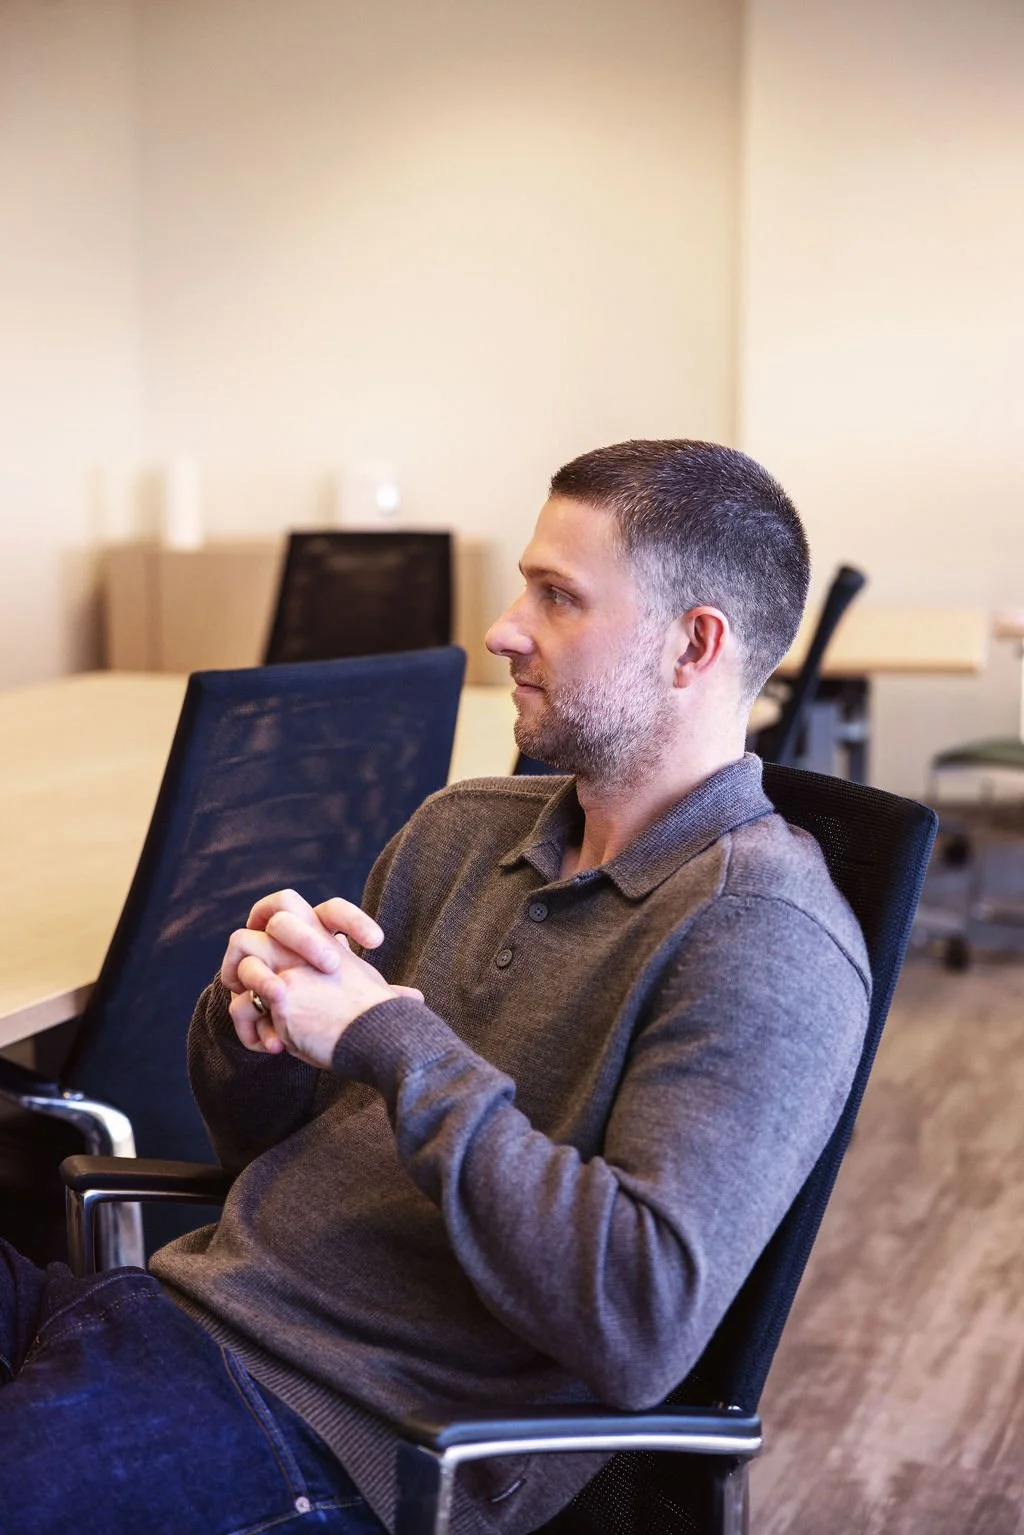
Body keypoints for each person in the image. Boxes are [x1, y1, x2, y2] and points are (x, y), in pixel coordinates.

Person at [0, 439, 870, 1535]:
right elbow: (265, 1150)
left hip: (343, 1433)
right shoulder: (459, 830)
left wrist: (388, 1036)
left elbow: (637, 1321)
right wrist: (253, 1022)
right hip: (169, 1310)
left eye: (558, 597)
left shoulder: (765, 935)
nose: (504, 628)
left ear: (693, 644)